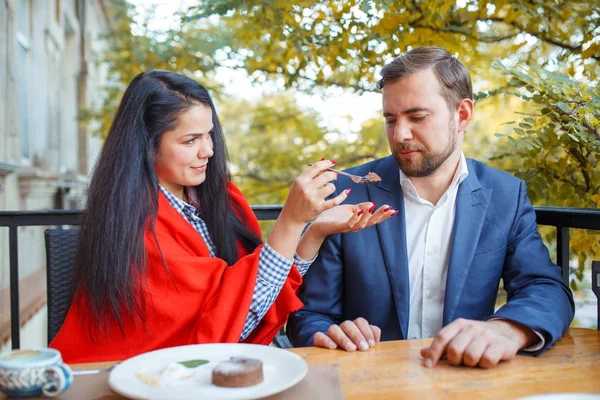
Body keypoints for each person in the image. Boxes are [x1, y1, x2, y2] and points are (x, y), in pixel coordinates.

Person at [50, 70, 396, 363]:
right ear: (146, 144)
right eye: (190, 140)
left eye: (209, 134)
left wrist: (314, 233)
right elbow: (232, 322)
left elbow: (262, 294)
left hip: (228, 367)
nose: (209, 150)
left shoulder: (224, 201)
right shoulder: (135, 224)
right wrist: (289, 221)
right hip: (146, 377)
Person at [287, 46, 574, 369]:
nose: (400, 134)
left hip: (465, 381)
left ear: (462, 114)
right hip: (368, 381)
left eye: (417, 117)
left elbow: (545, 287)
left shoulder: (505, 195)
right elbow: (308, 313)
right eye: (391, 119)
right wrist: (330, 334)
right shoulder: (347, 194)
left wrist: (508, 330)